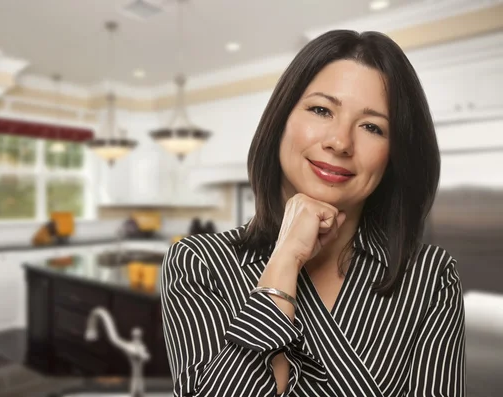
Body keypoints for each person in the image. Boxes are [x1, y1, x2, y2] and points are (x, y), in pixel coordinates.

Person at [160, 30, 465, 397]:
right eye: (321, 110)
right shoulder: (198, 263)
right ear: (282, 119)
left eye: (372, 127)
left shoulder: (431, 278)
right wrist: (285, 261)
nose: (340, 142)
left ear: (394, 154)